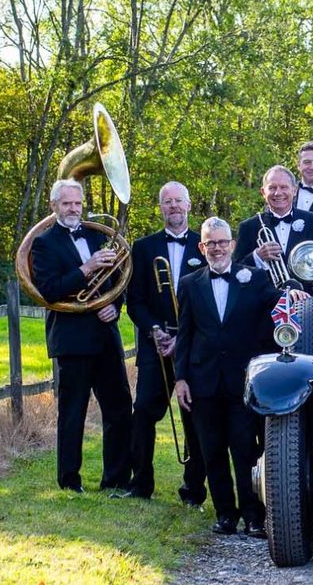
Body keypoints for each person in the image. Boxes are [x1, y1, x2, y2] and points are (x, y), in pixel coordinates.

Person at [173, 218, 309, 538]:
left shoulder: (255, 278)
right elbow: (185, 334)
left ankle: (253, 516)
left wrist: (293, 294)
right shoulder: (190, 283)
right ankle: (225, 515)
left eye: (223, 242)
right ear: (201, 247)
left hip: (243, 381)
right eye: (211, 243)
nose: (217, 248)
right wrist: (180, 379)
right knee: (212, 451)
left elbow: (278, 298)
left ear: (233, 245)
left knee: (245, 450)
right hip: (202, 381)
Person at [29, 178, 132, 493]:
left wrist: (114, 306)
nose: (74, 209)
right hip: (72, 339)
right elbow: (49, 290)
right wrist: (86, 268)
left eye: (77, 203)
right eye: (66, 204)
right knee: (73, 411)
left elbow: (118, 279)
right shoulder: (44, 243)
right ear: (54, 207)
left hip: (105, 334)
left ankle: (115, 479)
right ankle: (69, 480)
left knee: (119, 407)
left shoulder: (96, 235)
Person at [119, 181, 207, 504]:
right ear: (160, 208)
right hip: (155, 345)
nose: (173, 207)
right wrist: (155, 330)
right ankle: (141, 483)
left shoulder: (204, 245)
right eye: (167, 202)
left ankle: (194, 490)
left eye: (178, 201)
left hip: (192, 346)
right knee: (142, 411)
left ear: (188, 205)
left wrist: (182, 337)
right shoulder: (142, 248)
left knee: (194, 417)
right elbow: (135, 300)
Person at [232, 166, 313, 277]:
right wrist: (257, 256)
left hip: (308, 293)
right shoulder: (248, 227)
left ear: (295, 190)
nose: (278, 193)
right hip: (265, 294)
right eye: (272, 188)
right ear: (263, 192)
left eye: (284, 187)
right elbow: (235, 270)